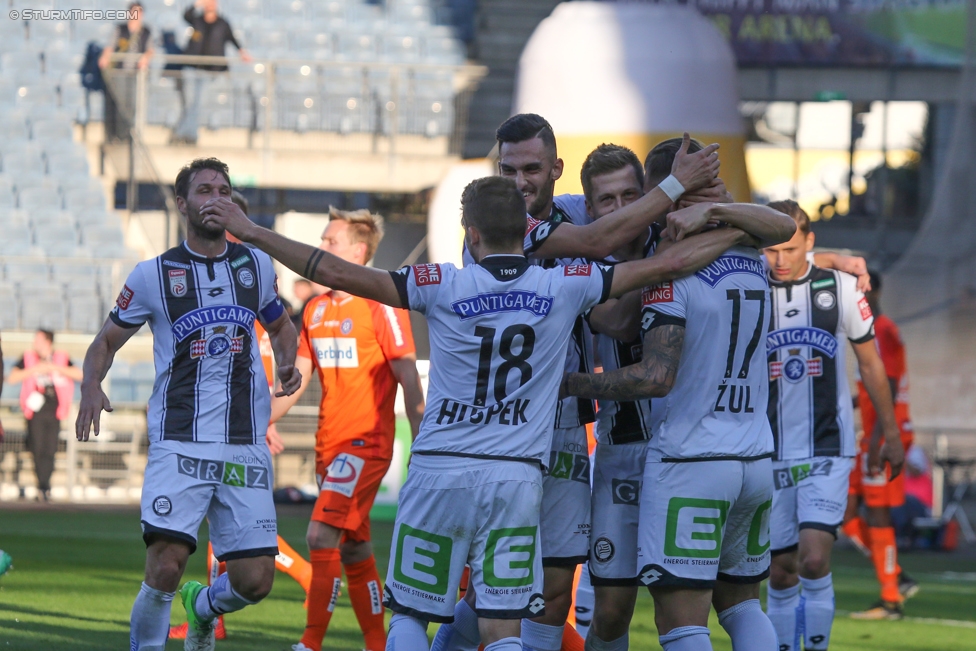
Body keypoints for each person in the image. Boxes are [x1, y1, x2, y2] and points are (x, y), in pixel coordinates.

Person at [200, 174, 773, 651]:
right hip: (516, 477)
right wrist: (728, 234)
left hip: (441, 470)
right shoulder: (564, 285)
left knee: (411, 616)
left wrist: (249, 231)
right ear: (525, 231)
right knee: (503, 626)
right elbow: (663, 268)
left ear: (470, 233)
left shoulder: (441, 284)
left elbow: (334, 272)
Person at [75, 157, 301, 651]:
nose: (215, 198)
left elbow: (282, 326)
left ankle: (203, 607)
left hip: (244, 445)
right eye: (203, 190)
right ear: (182, 204)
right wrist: (91, 384)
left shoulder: (256, 265)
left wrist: (288, 361)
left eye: (223, 190)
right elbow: (105, 341)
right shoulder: (154, 274)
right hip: (180, 441)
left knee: (256, 580)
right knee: (166, 564)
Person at [563, 200, 797, 651]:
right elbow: (782, 226)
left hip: (691, 460)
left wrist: (572, 383)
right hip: (753, 457)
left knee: (681, 620)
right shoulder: (752, 256)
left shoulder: (667, 273)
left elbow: (654, 376)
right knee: (743, 605)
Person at [268, 207, 425, 651]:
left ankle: (309, 642)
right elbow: (293, 385)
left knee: (320, 535)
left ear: (357, 253)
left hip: (365, 444)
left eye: (329, 243)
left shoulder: (381, 304)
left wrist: (423, 444)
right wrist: (257, 423)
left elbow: (408, 378)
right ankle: (378, 644)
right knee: (354, 549)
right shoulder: (314, 311)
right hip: (329, 447)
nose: (320, 252)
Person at [166, 190, 313, 643]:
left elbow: (300, 364)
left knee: (243, 540)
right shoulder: (216, 289)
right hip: (218, 430)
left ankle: (300, 576)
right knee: (222, 531)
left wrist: (264, 418)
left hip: (244, 435)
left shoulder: (258, 289)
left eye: (230, 227)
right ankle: (212, 613)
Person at [761, 201, 904, 651]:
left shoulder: (839, 288)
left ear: (809, 243)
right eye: (771, 250)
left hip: (827, 446)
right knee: (780, 568)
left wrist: (890, 434)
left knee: (815, 558)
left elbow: (871, 364)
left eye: (790, 248)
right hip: (767, 450)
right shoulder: (747, 286)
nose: (780, 260)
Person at [843, 270, 919, 619]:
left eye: (862, 287)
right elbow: (872, 390)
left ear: (874, 290)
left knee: (877, 512)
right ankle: (896, 576)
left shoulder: (883, 329)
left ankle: (891, 597)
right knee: (845, 513)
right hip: (870, 435)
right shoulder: (868, 331)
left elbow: (885, 384)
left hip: (883, 438)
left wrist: (879, 440)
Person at [7, 329, 84, 502]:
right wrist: (35, 369)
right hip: (34, 411)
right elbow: (12, 378)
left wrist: (54, 368)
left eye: (38, 339)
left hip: (54, 410)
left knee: (50, 449)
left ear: (48, 341)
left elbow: (79, 374)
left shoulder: (61, 357)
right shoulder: (27, 358)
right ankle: (42, 485)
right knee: (37, 447)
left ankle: (45, 486)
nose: (35, 342)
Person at [173, 0, 252, 144]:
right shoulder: (197, 20)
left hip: (210, 71)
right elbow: (185, 15)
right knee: (191, 103)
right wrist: (198, 4)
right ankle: (188, 135)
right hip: (192, 68)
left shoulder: (223, 23)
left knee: (197, 104)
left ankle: (185, 135)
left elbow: (232, 39)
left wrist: (242, 52)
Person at [98, 2, 153, 142]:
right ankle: (118, 134)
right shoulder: (120, 29)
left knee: (132, 104)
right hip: (119, 72)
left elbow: (150, 49)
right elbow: (110, 46)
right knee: (120, 103)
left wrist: (146, 58)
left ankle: (127, 133)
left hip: (135, 74)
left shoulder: (146, 31)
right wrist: (105, 57)